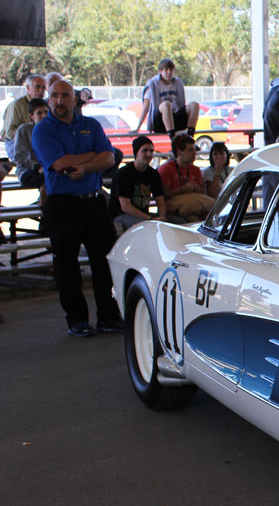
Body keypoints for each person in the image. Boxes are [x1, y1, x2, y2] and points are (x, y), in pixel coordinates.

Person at [31, 80, 122, 337]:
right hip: (62, 205)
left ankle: (109, 316)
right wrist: (92, 156)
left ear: (74, 100)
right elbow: (60, 163)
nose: (60, 101)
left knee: (105, 261)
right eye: (55, 96)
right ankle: (77, 320)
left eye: (65, 96)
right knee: (67, 266)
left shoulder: (91, 125)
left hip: (93, 201)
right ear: (49, 100)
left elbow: (109, 157)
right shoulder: (43, 130)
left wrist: (83, 167)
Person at [136, 58, 200, 138]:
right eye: (166, 70)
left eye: (171, 70)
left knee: (195, 105)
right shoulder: (152, 84)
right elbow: (146, 107)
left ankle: (190, 136)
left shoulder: (178, 83)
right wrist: (137, 128)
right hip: (159, 120)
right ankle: (173, 137)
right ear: (160, 71)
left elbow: (182, 104)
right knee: (166, 104)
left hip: (175, 118)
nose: (169, 72)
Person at [114, 136, 167, 230]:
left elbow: (160, 200)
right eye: (145, 150)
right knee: (147, 227)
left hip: (144, 216)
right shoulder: (123, 174)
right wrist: (150, 218)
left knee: (178, 222)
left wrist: (162, 217)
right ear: (136, 153)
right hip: (122, 215)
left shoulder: (153, 174)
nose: (149, 154)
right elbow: (125, 207)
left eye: (151, 151)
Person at [158, 135, 214, 223]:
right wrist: (182, 190)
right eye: (191, 150)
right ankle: (218, 208)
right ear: (180, 152)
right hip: (173, 207)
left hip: (191, 207)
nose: (195, 153)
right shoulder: (166, 169)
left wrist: (202, 190)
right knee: (205, 203)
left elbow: (201, 195)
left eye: (195, 150)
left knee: (194, 218)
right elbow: (162, 196)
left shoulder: (196, 170)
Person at [2, 73, 46, 160]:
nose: (41, 90)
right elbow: (10, 132)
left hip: (37, 142)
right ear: (28, 88)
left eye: (43, 87)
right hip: (15, 143)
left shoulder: (45, 106)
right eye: (37, 87)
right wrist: (28, 136)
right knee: (29, 160)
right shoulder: (17, 105)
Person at [13, 98, 49, 190]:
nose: (44, 116)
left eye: (46, 112)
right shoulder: (24, 130)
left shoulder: (51, 130)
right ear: (32, 116)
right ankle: (44, 204)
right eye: (39, 113)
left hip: (47, 168)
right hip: (27, 170)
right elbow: (19, 157)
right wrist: (37, 167)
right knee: (46, 180)